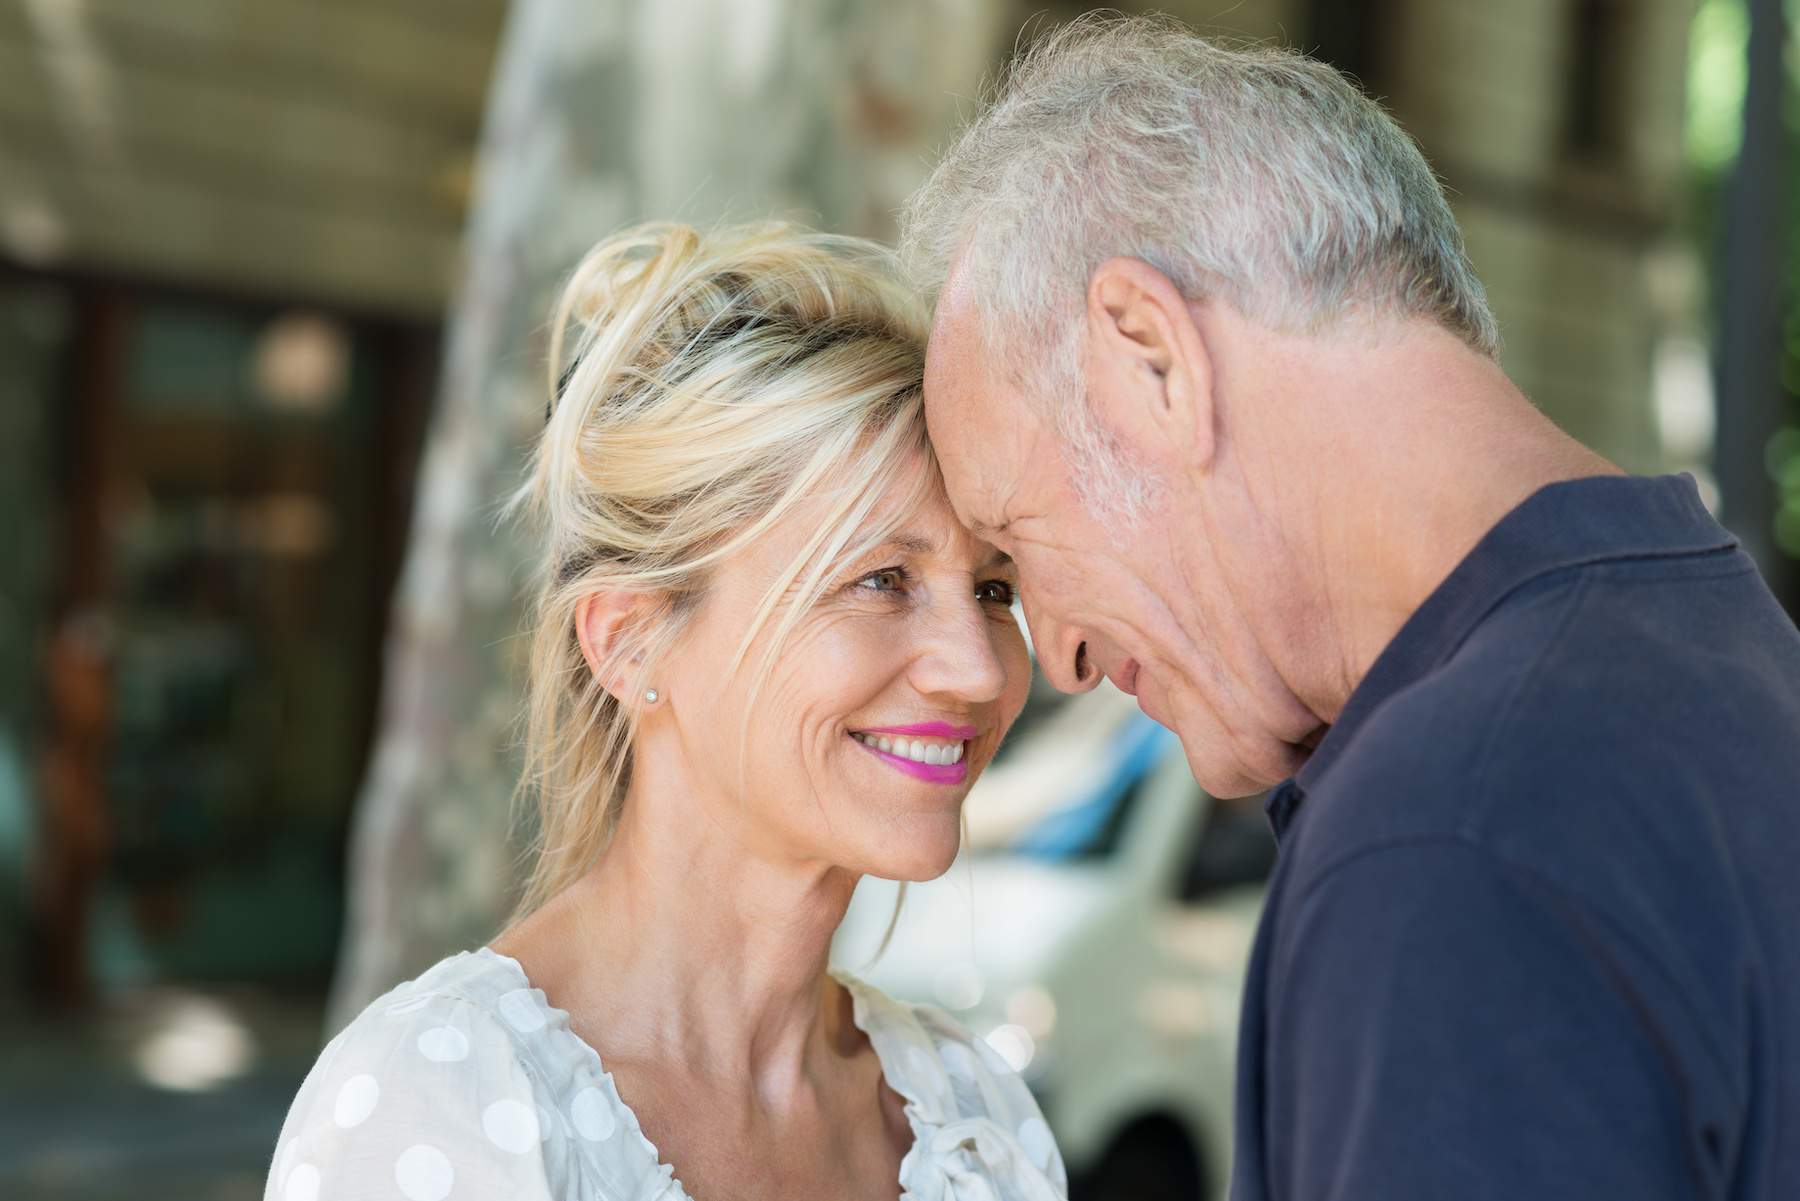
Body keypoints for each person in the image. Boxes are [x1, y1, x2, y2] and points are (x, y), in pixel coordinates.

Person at [903, 14, 1800, 1201]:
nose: (1058, 653)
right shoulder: (1727, 650)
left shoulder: (1452, 836)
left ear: (1150, 358)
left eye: (1017, 540)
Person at [266, 223, 1065, 1201]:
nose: (979, 669)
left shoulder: (978, 1119)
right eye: (882, 578)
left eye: (993, 589)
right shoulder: (439, 1104)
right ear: (630, 637)